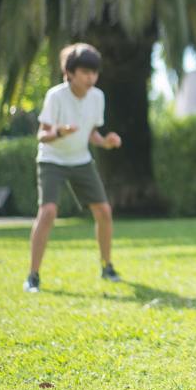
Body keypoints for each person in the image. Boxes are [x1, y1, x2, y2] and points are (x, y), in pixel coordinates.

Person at [23, 43, 124, 293]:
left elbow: (92, 135)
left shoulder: (97, 96)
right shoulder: (56, 96)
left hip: (80, 159)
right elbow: (42, 135)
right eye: (85, 72)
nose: (91, 78)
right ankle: (33, 276)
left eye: (94, 72)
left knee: (104, 211)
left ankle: (106, 266)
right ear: (70, 73)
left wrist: (106, 143)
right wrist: (59, 131)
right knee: (47, 212)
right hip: (52, 159)